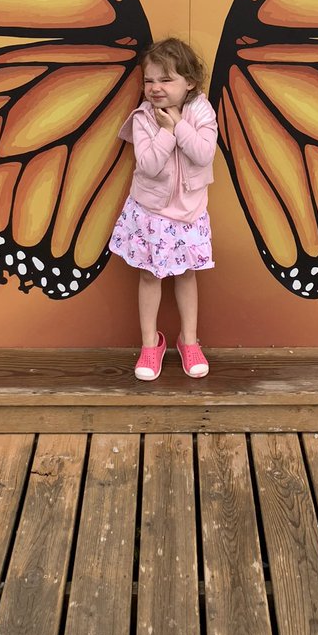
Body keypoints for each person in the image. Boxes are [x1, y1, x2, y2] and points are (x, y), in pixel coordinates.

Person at [110, 37, 218, 380]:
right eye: (149, 80)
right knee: (149, 274)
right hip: (151, 212)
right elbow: (149, 165)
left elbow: (203, 153)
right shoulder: (144, 118)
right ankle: (149, 344)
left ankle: (189, 341)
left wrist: (178, 126)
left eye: (166, 79)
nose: (155, 88)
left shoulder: (202, 112)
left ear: (190, 82)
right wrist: (166, 131)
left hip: (188, 213)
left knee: (186, 275)